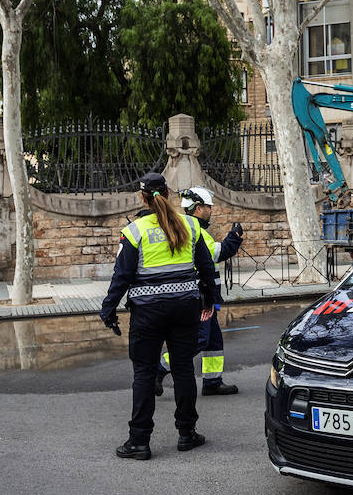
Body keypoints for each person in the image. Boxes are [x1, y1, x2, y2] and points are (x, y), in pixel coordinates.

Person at [101, 172, 218, 460]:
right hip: (185, 307)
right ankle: (187, 434)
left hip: (148, 312)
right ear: (167, 193)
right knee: (183, 370)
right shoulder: (190, 224)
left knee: (143, 373)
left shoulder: (135, 230)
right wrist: (209, 301)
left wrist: (109, 309)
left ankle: (139, 441)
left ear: (142, 197)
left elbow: (122, 276)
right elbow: (205, 267)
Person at [155, 187, 245, 397]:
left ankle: (212, 382)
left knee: (213, 341)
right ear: (197, 208)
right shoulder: (194, 228)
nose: (211, 210)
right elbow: (216, 253)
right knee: (198, 340)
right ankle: (159, 369)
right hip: (198, 296)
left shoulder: (195, 228)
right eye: (208, 206)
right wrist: (234, 237)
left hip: (206, 295)